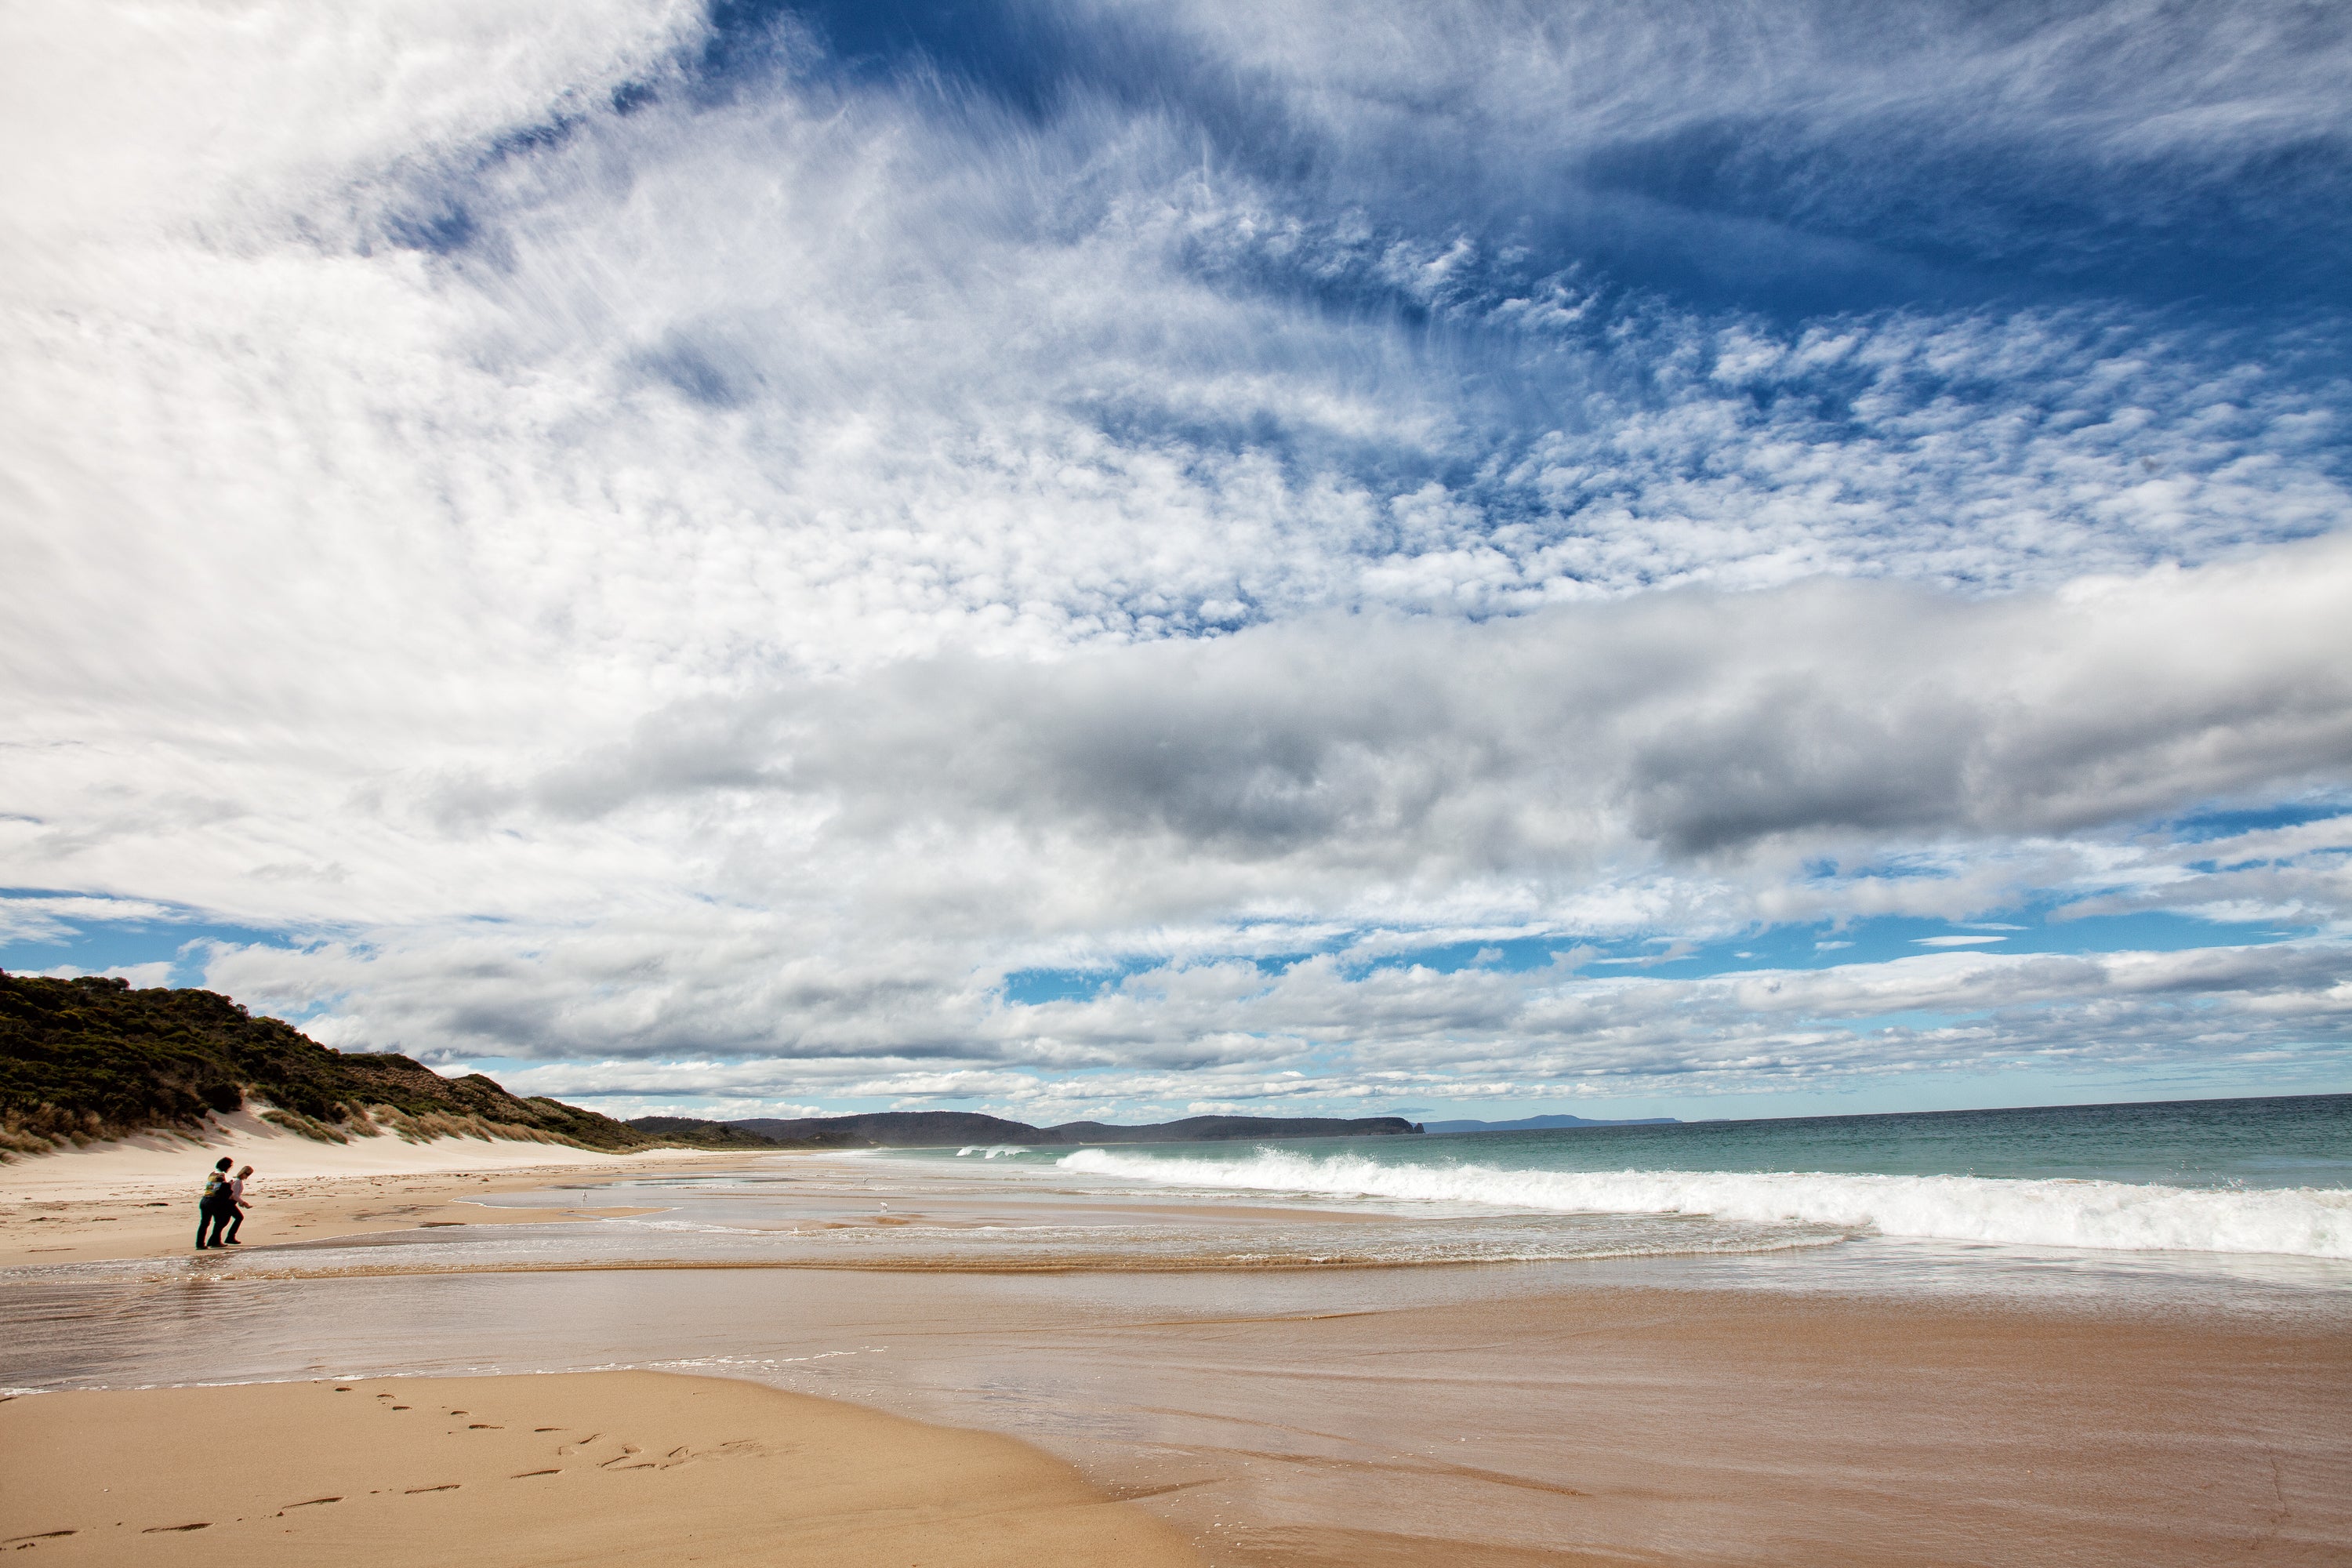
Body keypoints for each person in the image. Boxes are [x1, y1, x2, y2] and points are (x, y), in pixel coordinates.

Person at [197, 1157, 234, 1249]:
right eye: (230, 1166)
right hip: (213, 1201)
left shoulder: (212, 1173)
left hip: (205, 1199)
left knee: (204, 1223)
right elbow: (218, 1189)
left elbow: (211, 1186)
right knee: (221, 1221)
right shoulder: (221, 1175)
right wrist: (229, 1185)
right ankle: (215, 1241)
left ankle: (200, 1244)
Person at [221, 1164, 253, 1245]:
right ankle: (230, 1237)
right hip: (229, 1203)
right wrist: (243, 1203)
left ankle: (227, 1237)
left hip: (230, 1202)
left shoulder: (235, 1180)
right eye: (247, 1174)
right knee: (238, 1218)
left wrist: (239, 1202)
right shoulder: (237, 1181)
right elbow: (234, 1195)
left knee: (225, 1221)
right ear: (243, 1173)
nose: (247, 1176)